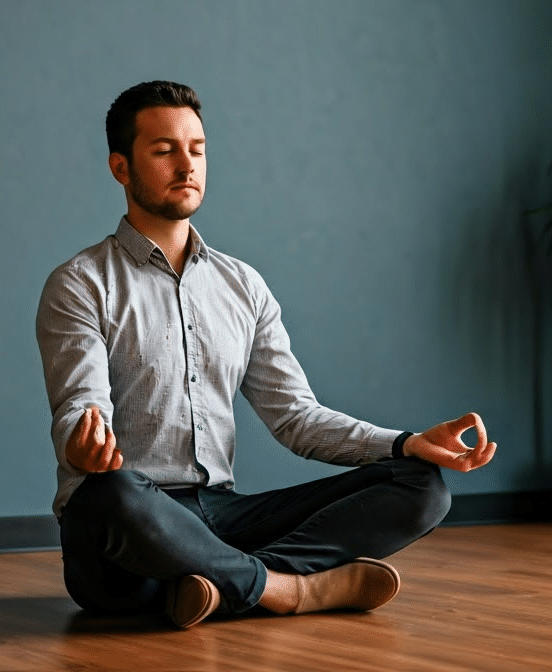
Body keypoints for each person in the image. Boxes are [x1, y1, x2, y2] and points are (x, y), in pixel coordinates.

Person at [35, 80, 496, 629]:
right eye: (164, 151)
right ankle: (286, 590)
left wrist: (406, 443)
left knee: (420, 485)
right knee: (107, 494)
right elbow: (79, 406)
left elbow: (296, 418)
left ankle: (221, 584)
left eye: (197, 150)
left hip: (223, 516)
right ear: (121, 167)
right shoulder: (81, 284)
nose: (187, 165)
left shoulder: (242, 285)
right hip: (132, 523)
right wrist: (83, 447)